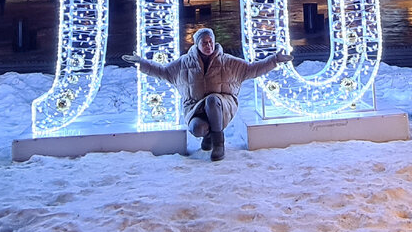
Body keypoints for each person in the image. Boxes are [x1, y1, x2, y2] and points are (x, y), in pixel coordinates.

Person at [123, 27, 291, 161]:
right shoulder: (184, 64)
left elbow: (252, 69)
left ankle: (219, 143)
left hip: (222, 105)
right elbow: (163, 72)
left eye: (211, 41)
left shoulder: (228, 62)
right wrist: (141, 63)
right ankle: (208, 135)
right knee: (197, 128)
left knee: (212, 100)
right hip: (196, 108)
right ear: (197, 44)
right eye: (204, 42)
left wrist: (275, 60)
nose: (209, 45)